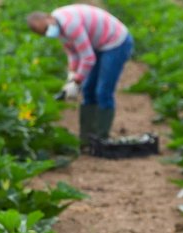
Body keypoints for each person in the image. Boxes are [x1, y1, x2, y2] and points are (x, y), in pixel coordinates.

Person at [26, 5, 133, 149]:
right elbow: (73, 53)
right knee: (88, 90)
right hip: (98, 44)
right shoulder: (58, 26)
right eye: (43, 33)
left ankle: (102, 139)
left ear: (48, 17)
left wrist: (77, 81)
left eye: (45, 29)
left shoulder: (69, 24)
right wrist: (71, 76)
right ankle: (87, 139)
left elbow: (88, 58)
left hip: (115, 42)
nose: (47, 33)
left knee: (103, 91)